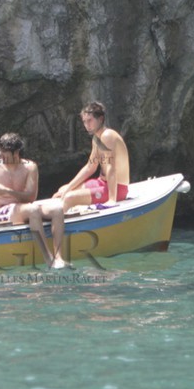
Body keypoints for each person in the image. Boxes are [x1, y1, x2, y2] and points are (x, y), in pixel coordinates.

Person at [26, 101, 131, 268]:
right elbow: (91, 167)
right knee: (63, 191)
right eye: (84, 121)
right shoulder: (97, 138)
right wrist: (67, 186)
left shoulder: (107, 136)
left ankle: (52, 224)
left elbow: (110, 168)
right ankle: (52, 217)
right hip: (101, 183)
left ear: (100, 118)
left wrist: (112, 200)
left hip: (117, 189)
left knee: (70, 198)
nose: (86, 125)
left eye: (90, 120)